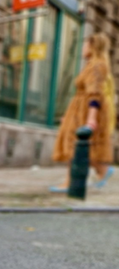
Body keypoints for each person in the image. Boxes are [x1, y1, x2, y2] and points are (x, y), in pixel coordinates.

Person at [51, 32, 116, 191]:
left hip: (85, 111)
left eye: (85, 45)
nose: (83, 48)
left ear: (93, 46)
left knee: (76, 145)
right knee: (79, 146)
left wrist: (91, 118)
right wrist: (68, 115)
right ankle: (102, 171)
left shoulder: (97, 66)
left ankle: (72, 182)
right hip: (78, 110)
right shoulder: (91, 65)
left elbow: (95, 93)